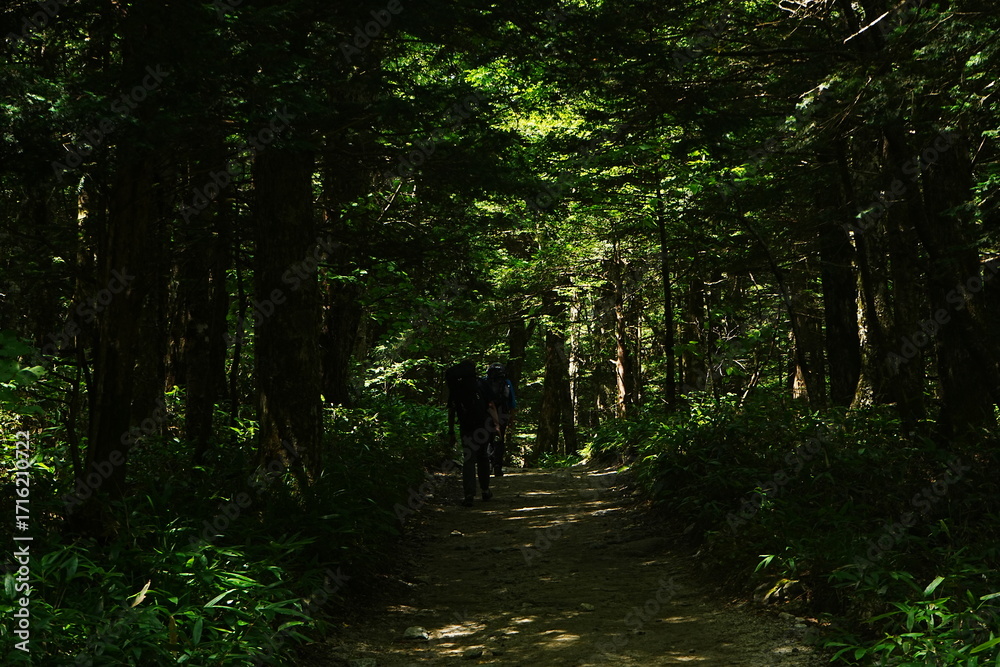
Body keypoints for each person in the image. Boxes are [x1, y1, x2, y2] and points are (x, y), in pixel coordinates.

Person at [446, 360, 500, 506]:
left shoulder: (456, 387)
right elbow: (491, 406)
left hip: (466, 427)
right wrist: (496, 424)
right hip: (483, 427)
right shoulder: (481, 384)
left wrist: (451, 431)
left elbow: (452, 410)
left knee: (469, 459)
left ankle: (469, 495)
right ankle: (485, 490)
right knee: (483, 457)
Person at [484, 362, 517, 477]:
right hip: (502, 414)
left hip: (487, 414)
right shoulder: (506, 383)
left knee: (487, 439)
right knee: (499, 439)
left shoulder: (485, 381)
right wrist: (512, 419)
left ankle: (487, 465)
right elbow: (512, 402)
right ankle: (497, 466)